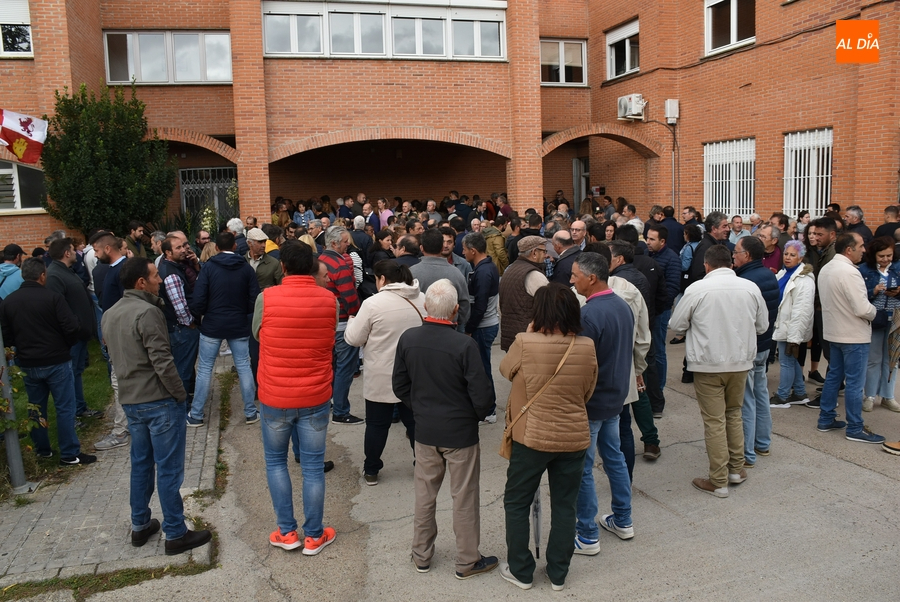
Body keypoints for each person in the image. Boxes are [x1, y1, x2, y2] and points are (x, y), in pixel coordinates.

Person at [102, 257, 211, 555]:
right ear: (141, 282)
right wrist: (180, 395)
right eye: (154, 276)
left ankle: (140, 525)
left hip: (131, 402)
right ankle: (175, 532)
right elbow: (162, 361)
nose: (160, 280)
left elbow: (111, 355)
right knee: (168, 470)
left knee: (140, 464)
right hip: (159, 402)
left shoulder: (109, 313)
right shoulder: (148, 313)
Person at [392, 279, 497, 579]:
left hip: (425, 431)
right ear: (455, 310)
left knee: (424, 495)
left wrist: (421, 409)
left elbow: (400, 385)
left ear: (426, 306)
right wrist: (473, 416)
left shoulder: (409, 339)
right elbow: (482, 394)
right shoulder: (464, 344)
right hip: (460, 434)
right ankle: (467, 559)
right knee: (464, 497)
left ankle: (421, 553)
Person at [497, 283, 597, 591]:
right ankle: (558, 572)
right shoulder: (586, 345)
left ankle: (521, 570)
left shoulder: (524, 342)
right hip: (573, 436)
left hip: (533, 437)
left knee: (516, 501)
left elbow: (505, 370)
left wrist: (529, 333)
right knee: (565, 505)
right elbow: (587, 390)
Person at [253, 241, 338, 555]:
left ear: (283, 267)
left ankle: (287, 532)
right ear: (313, 267)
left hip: (276, 395)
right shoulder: (329, 300)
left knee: (276, 462)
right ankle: (314, 535)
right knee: (313, 467)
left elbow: (257, 334)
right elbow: (329, 339)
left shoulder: (266, 297)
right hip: (315, 395)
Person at [669, 245, 767, 497]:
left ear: (706, 265)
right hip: (740, 362)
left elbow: (676, 323)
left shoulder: (698, 289)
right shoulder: (750, 288)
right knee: (734, 414)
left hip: (708, 364)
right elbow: (762, 326)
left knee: (714, 421)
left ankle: (719, 479)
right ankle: (736, 469)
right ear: (731, 263)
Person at [569, 252, 635, 556]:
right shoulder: (622, 305)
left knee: (583, 467)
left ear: (591, 278)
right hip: (615, 396)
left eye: (575, 275)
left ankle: (587, 533)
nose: (571, 280)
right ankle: (623, 519)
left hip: (593, 401)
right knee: (615, 457)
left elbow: (580, 364)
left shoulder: (589, 315)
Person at [0, 258, 93, 465]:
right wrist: (66, 345)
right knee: (65, 407)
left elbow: (6, 336)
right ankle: (69, 452)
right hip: (56, 359)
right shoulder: (53, 298)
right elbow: (71, 327)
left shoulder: (8, 302)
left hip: (28, 361)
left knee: (36, 407)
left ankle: (42, 449)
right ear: (42, 275)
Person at [345, 260, 425, 486]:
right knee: (415, 423)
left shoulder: (373, 304)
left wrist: (352, 322)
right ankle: (422, 464)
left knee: (377, 425)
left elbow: (353, 339)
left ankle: (371, 470)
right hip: (414, 375)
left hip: (382, 375)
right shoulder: (423, 299)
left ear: (382, 279)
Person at [188, 231, 261, 427]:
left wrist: (203, 314)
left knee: (204, 369)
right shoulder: (246, 268)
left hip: (212, 324)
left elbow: (199, 298)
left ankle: (196, 415)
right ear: (235, 247)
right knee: (244, 366)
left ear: (216, 248)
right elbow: (255, 298)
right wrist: (241, 311)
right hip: (238, 323)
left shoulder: (209, 268)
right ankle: (250, 412)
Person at [816, 232, 883, 442]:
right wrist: (875, 313)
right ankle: (855, 428)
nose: (864, 250)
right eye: (861, 246)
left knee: (834, 376)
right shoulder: (850, 272)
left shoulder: (827, 268)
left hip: (834, 333)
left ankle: (826, 418)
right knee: (854, 382)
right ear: (849, 249)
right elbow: (862, 308)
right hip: (853, 335)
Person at [732, 236, 779, 467]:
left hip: (751, 347)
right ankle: (763, 443)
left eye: (736, 252)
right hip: (764, 345)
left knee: (748, 399)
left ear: (747, 255)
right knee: (760, 395)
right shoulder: (768, 274)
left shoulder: (747, 280)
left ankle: (748, 452)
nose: (733, 255)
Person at [45, 238, 100, 421]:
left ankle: (80, 407)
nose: (77, 253)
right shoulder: (54, 275)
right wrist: (74, 325)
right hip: (72, 336)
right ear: (66, 253)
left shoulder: (66, 271)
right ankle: (74, 412)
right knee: (69, 375)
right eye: (73, 250)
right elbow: (57, 307)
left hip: (80, 334)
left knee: (76, 372)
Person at [157, 235, 200, 415]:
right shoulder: (171, 274)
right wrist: (190, 324)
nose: (183, 250)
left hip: (178, 328)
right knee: (182, 369)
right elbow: (180, 307)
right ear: (168, 252)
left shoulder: (174, 267)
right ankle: (181, 408)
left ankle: (185, 401)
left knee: (185, 367)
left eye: (184, 246)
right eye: (178, 248)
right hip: (181, 329)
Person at [771, 240, 815, 412]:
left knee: (786, 361)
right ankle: (800, 393)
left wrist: (794, 337)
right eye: (786, 254)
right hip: (783, 324)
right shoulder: (784, 273)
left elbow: (802, 311)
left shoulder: (804, 279)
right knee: (791, 360)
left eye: (792, 255)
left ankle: (782, 396)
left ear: (801, 257)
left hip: (791, 327)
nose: (788, 257)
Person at [857, 237, 900, 412]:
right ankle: (870, 395)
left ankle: (888, 396)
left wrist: (898, 293)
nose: (885, 259)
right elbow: (858, 295)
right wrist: (873, 291)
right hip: (874, 318)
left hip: (895, 318)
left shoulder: (897, 267)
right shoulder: (864, 269)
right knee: (873, 359)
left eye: (889, 255)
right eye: (881, 256)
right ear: (873, 255)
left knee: (892, 359)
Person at [463, 232, 501, 422]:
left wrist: (469, 327)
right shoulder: (484, 267)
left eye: (464, 249)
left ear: (473, 250)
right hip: (484, 325)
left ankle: (489, 410)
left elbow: (480, 305)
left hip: (483, 326)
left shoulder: (484, 271)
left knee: (483, 369)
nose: (462, 253)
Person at [410, 228, 470, 331]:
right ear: (442, 247)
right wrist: (456, 321)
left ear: (421, 248)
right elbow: (464, 305)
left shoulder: (411, 273)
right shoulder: (457, 274)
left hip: (418, 329)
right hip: (450, 329)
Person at [499, 236, 550, 351]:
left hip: (511, 336)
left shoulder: (510, 270)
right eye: (544, 251)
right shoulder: (534, 275)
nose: (546, 255)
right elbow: (550, 307)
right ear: (534, 253)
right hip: (529, 340)